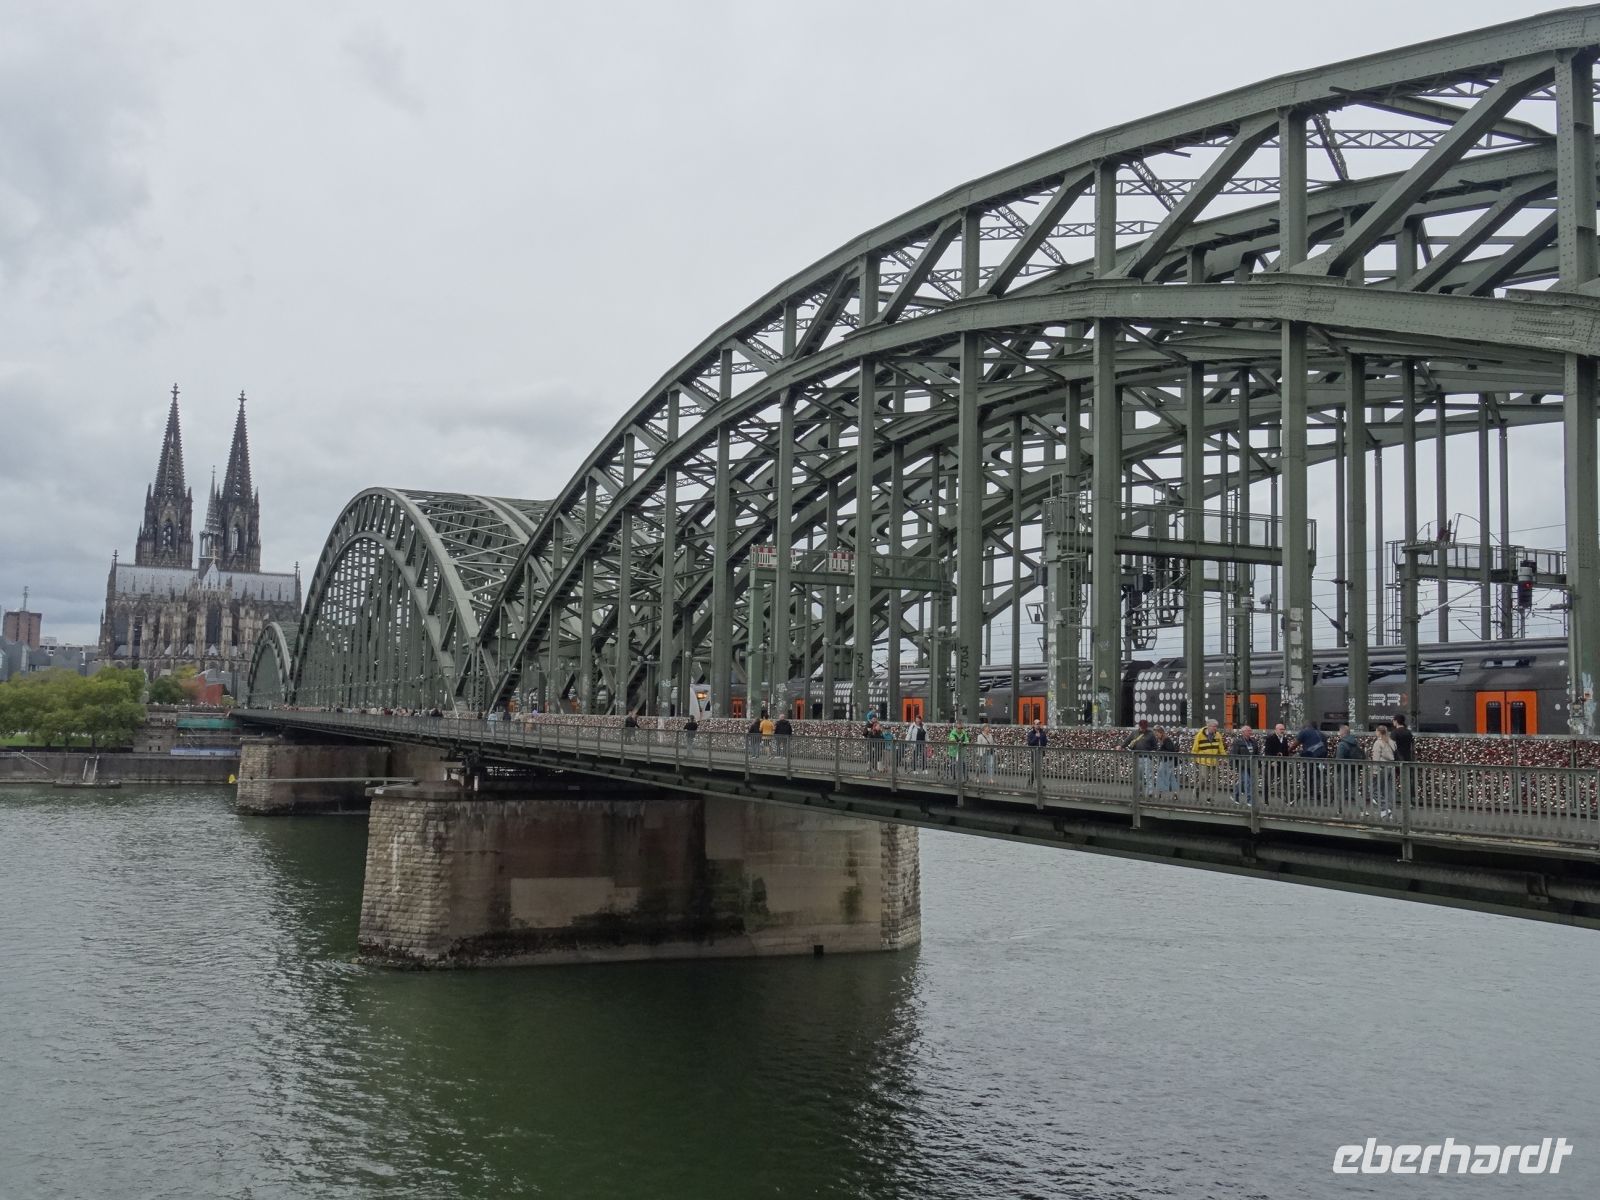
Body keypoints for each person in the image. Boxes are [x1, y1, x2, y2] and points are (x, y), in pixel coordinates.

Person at [1190, 718, 1226, 799]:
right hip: (1203, 761)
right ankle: (1196, 790)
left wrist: (1224, 758)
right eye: (1214, 726)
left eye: (1216, 726)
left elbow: (1221, 748)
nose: (1215, 728)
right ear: (1208, 726)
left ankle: (1210, 797)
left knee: (1214, 781)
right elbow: (1195, 748)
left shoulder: (1218, 735)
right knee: (1203, 779)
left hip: (1214, 761)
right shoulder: (1199, 735)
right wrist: (1194, 760)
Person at [1332, 723, 1364, 809]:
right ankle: (1363, 809)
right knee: (1354, 790)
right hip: (1354, 770)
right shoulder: (1355, 742)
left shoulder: (1342, 744)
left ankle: (1340, 810)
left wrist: (1336, 770)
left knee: (1340, 790)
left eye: (1339, 732)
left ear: (1342, 732)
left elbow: (1339, 759)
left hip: (1344, 770)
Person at [1369, 723, 1397, 818]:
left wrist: (1374, 771)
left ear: (1378, 732)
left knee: (1374, 790)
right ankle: (1390, 811)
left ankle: (1385, 809)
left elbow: (1376, 758)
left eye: (1376, 731)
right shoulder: (1391, 742)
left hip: (1381, 768)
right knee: (1388, 791)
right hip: (1391, 767)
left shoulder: (1378, 743)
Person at [1230, 724, 1262, 806]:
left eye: (1250, 730)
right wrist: (1233, 766)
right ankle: (1249, 800)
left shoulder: (1253, 741)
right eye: (1248, 731)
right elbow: (1233, 754)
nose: (1250, 732)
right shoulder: (1238, 742)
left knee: (1244, 781)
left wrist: (1259, 765)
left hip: (1251, 765)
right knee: (1247, 782)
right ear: (1243, 732)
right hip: (1242, 765)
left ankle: (1235, 794)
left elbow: (1257, 754)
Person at [1124, 719, 1157, 794]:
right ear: (1139, 726)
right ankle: (1139, 792)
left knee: (1149, 776)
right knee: (1139, 776)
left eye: (1145, 728)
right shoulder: (1134, 733)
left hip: (1147, 757)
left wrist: (1153, 751)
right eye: (1142, 728)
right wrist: (1121, 746)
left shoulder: (1151, 734)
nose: (1144, 729)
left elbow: (1155, 746)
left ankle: (1150, 792)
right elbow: (1127, 741)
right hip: (1137, 757)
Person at [1262, 721, 1291, 804]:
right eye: (1281, 729)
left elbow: (1286, 752)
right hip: (1272, 764)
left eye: (1283, 729)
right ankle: (1266, 800)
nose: (1282, 731)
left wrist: (1284, 756)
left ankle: (1287, 799)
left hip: (1282, 764)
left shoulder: (1284, 739)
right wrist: (1271, 761)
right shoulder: (1270, 738)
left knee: (1285, 781)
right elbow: (1267, 751)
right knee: (1268, 782)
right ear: (1276, 730)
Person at [1151, 725, 1179, 795]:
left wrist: (1158, 752)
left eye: (1157, 734)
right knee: (1171, 776)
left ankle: (1160, 792)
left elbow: (1170, 750)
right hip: (1169, 760)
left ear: (1161, 733)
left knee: (1161, 775)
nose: (1156, 736)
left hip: (1166, 761)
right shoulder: (1166, 740)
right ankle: (1175, 793)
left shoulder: (1166, 740)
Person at [1025, 718, 1048, 783]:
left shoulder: (1042, 732)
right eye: (1037, 724)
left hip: (1041, 753)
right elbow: (1030, 743)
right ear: (1034, 725)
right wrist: (1036, 737)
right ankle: (1039, 784)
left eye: (1039, 724)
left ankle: (1031, 782)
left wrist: (1044, 743)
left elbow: (1045, 742)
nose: (1038, 725)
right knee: (1036, 768)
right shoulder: (1031, 733)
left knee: (1037, 768)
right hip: (1034, 753)